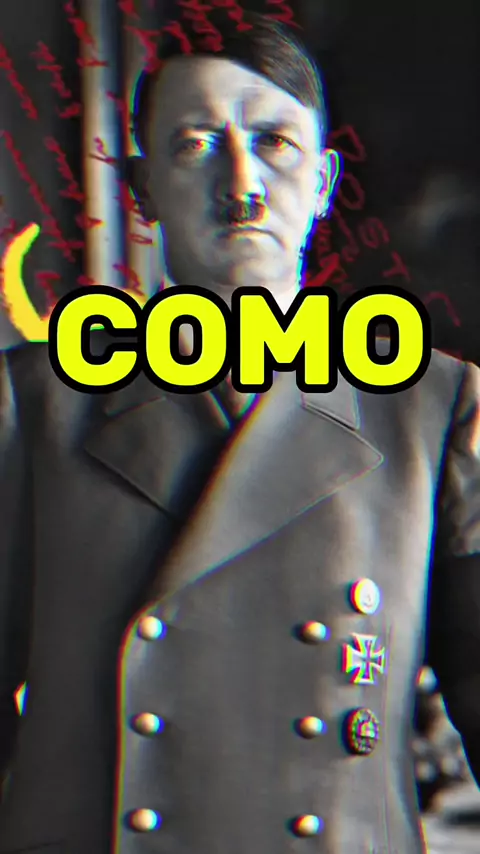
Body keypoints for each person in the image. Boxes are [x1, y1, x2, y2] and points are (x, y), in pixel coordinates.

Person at [0, 11, 479, 854]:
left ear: (324, 182)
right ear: (142, 188)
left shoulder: (434, 409)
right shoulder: (35, 404)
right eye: (195, 145)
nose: (243, 183)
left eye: (274, 144)